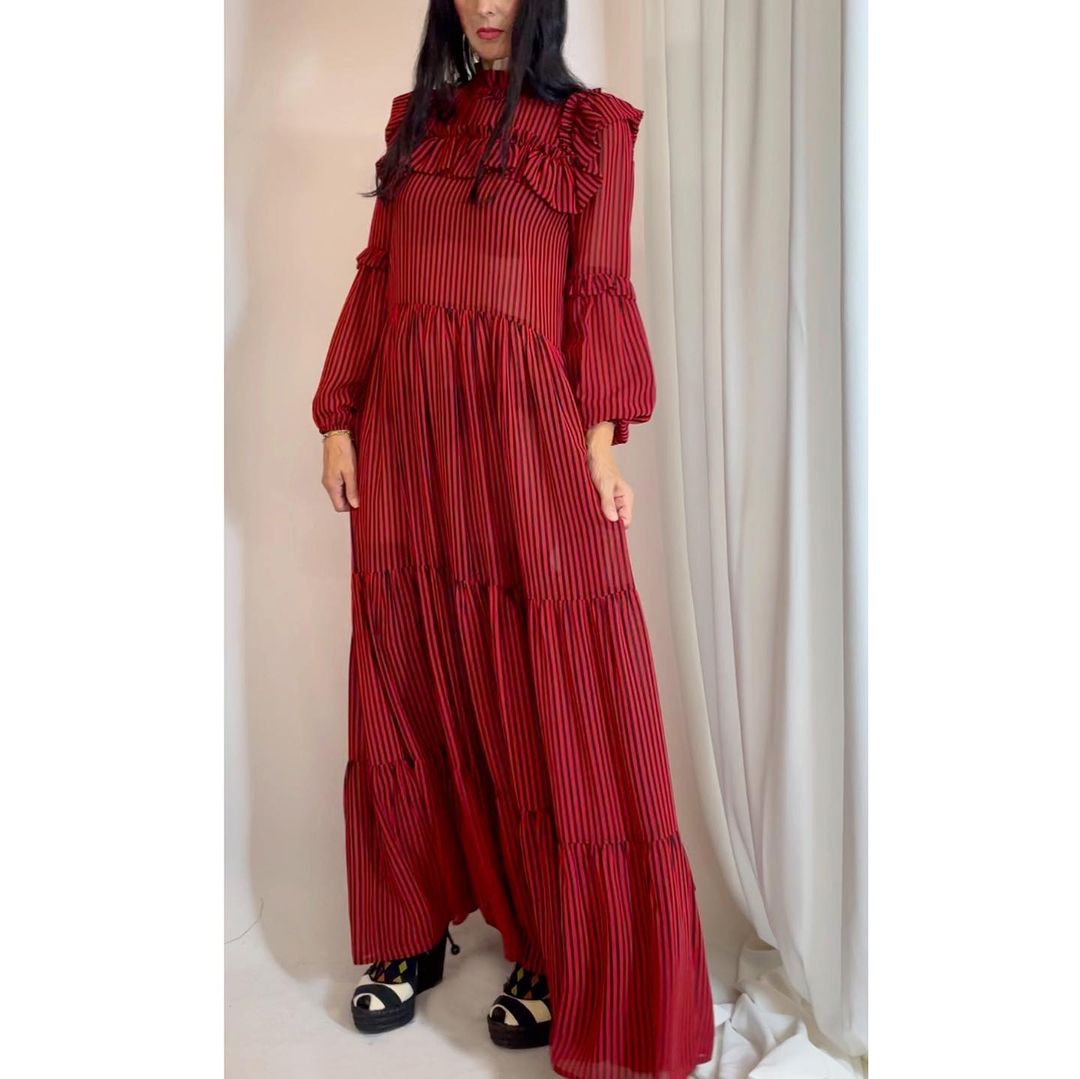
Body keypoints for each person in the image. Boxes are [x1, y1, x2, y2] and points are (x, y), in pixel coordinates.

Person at [311, 1, 714, 1075]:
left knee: (546, 686)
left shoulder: (591, 132)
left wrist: (600, 444)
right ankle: (411, 924)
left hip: (525, 441)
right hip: (410, 439)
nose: (486, 6)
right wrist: (339, 414)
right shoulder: (417, 123)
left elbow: (598, 290)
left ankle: (545, 941)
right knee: (410, 671)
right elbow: (377, 275)